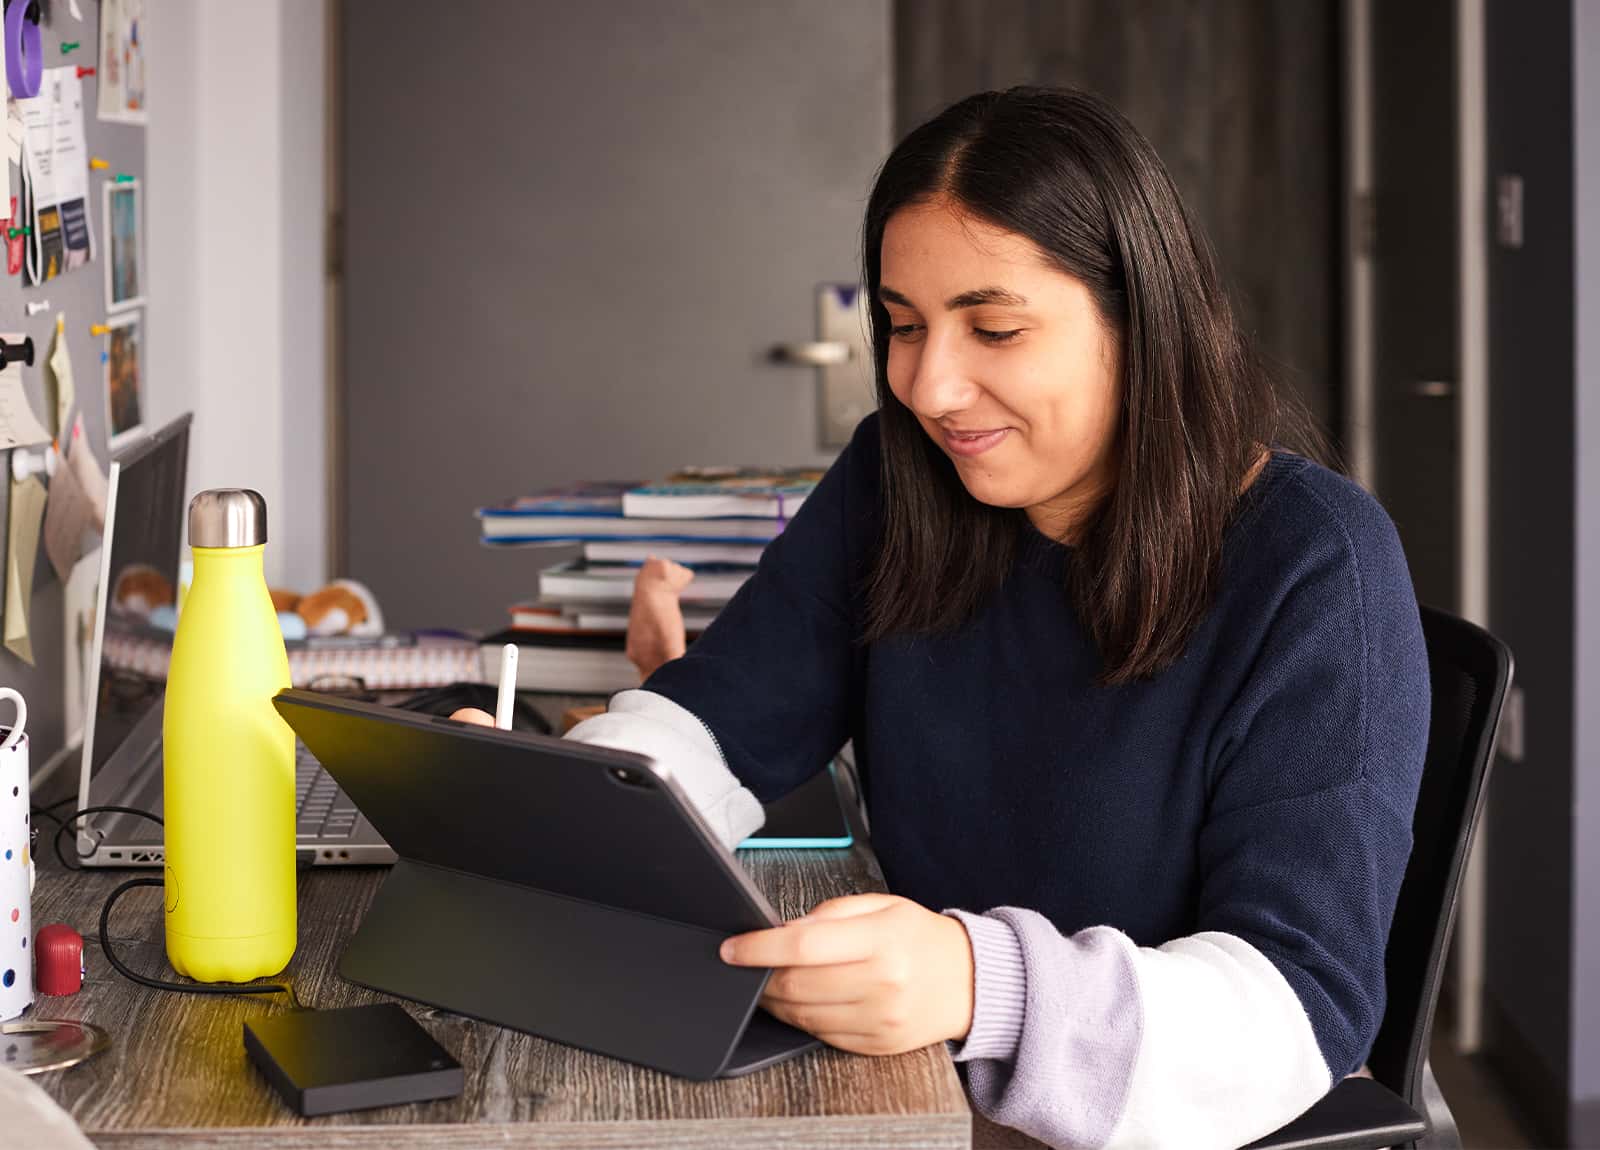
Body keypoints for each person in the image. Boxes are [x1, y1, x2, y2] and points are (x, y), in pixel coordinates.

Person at [458, 86, 1429, 1149]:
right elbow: (719, 713)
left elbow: (1295, 1013)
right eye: (903, 324)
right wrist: (569, 801)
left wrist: (981, 983)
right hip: (933, 1090)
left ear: (1140, 319)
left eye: (995, 327)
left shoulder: (1315, 561)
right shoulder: (898, 476)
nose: (929, 385)